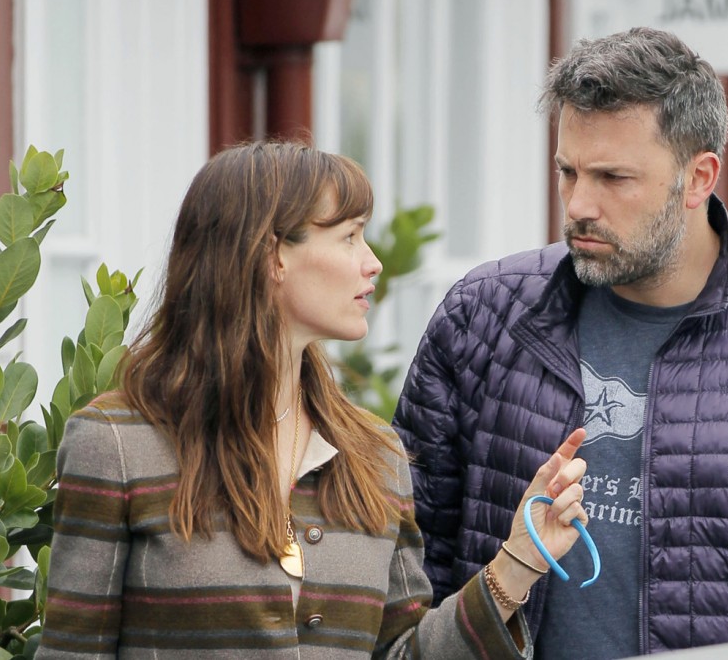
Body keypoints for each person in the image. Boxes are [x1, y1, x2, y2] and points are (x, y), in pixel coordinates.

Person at [393, 27, 728, 658]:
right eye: (568, 172)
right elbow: (407, 562)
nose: (579, 204)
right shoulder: (483, 315)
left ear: (698, 177)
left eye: (614, 177)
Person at [37, 141, 591, 659]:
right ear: (271, 255)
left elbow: (401, 652)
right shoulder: (115, 444)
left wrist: (518, 560)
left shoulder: (375, 456)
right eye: (349, 236)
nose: (372, 262)